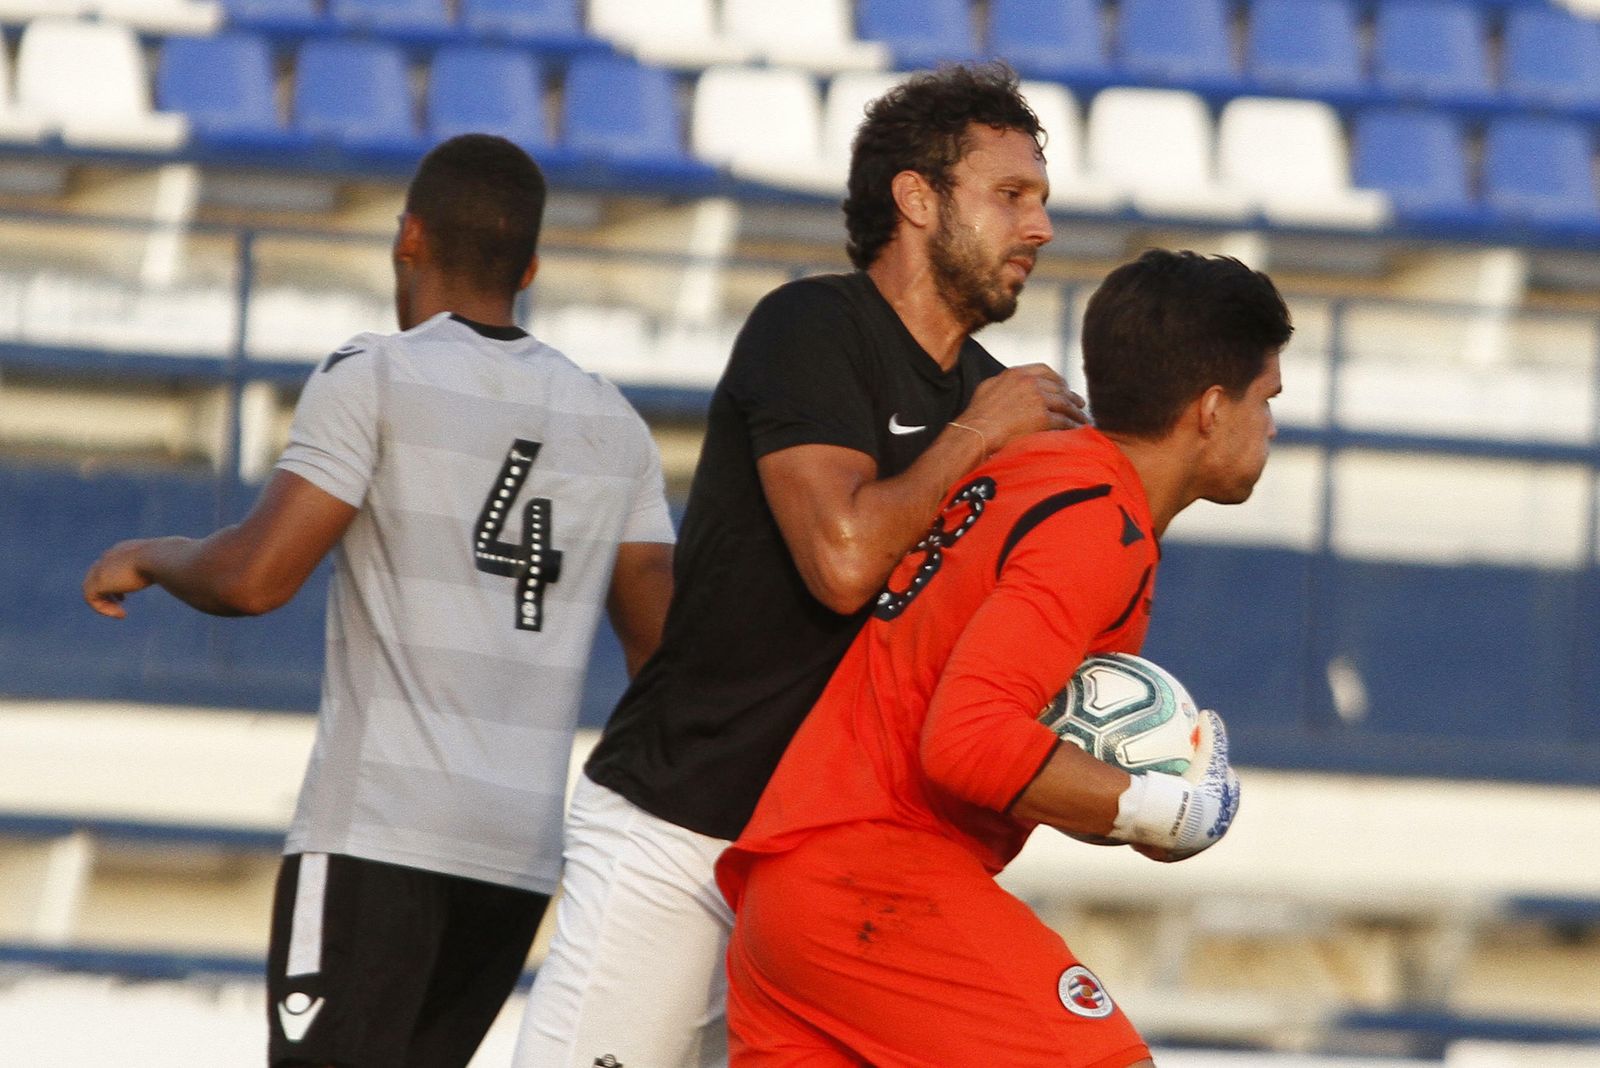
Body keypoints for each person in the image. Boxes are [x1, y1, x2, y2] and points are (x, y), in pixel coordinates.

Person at [514, 63, 1087, 1068]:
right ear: (917, 199)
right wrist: (975, 437)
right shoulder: (813, 327)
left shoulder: (997, 400)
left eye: (1040, 200)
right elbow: (844, 560)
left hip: (826, 875)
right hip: (685, 830)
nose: (1038, 227)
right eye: (1010, 195)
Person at [81, 134, 677, 1068]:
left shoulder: (376, 374)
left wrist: (150, 555)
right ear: (528, 268)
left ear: (407, 238)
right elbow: (663, 658)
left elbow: (254, 578)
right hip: (515, 860)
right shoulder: (613, 421)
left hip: (378, 837)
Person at [716, 248, 1291, 1066]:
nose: (1271, 424)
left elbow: (994, 749)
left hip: (791, 889)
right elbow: (966, 743)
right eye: (1266, 399)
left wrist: (1125, 808)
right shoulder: (1097, 525)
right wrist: (1161, 808)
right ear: (1210, 409)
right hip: (875, 876)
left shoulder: (1041, 471)